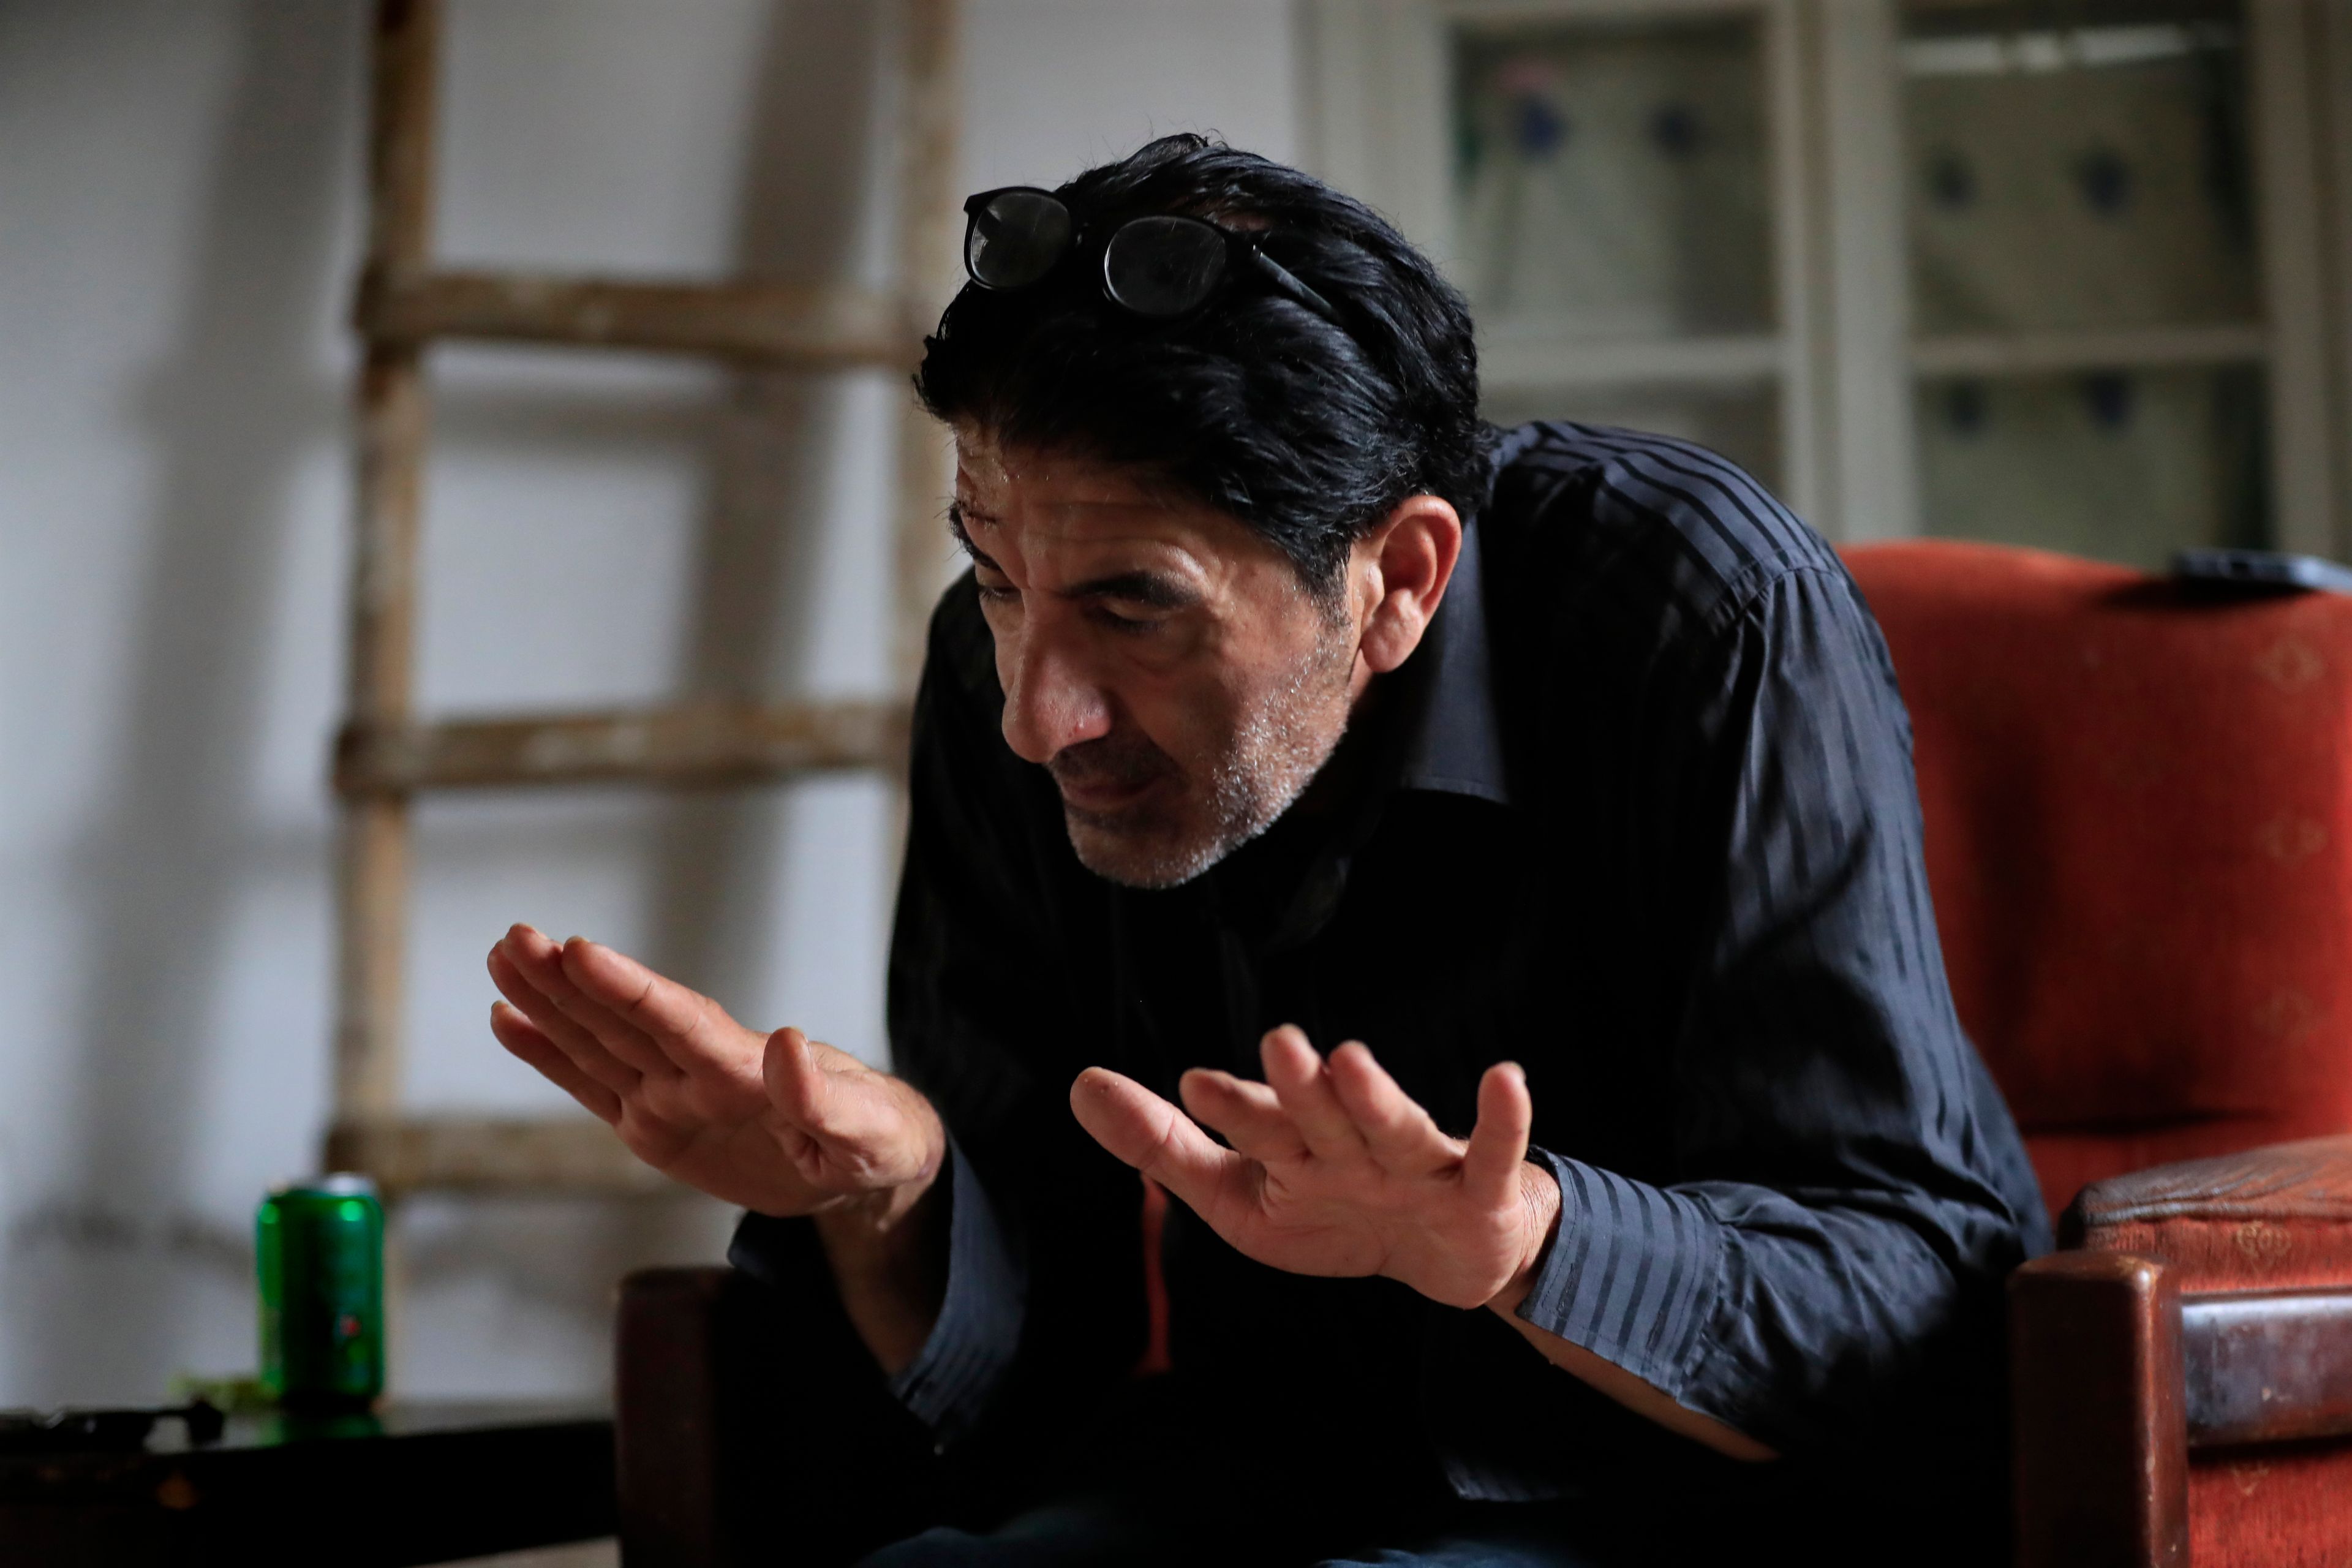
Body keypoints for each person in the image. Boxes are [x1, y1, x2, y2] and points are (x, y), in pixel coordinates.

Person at [485, 135, 2049, 1566]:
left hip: (1701, 1502)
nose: (1039, 716)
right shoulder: (996, 678)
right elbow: (1028, 1400)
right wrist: (886, 1198)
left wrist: (1528, 1249)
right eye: (998, 577)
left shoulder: (1703, 609)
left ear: (1402, 577)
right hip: (1264, 1482)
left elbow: (1928, 1308)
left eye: (1134, 603)